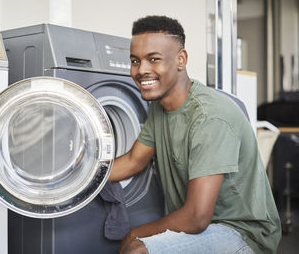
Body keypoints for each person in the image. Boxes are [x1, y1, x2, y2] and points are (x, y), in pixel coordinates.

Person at [108, 15, 281, 254]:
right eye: (135, 61)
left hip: (242, 233)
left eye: (153, 59)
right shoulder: (159, 108)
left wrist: (134, 233)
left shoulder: (209, 117)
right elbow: (133, 161)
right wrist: (82, 175)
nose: (141, 70)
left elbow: (197, 217)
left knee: (137, 250)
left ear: (181, 59)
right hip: (205, 226)